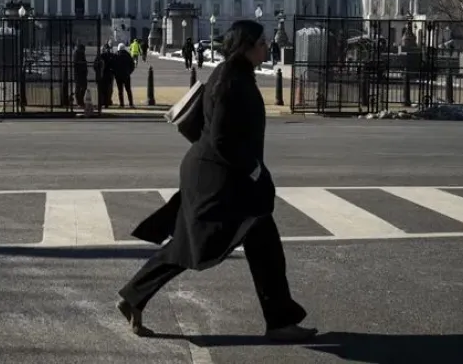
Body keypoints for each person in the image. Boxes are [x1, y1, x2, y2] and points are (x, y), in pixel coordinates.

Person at [116, 20, 317, 343]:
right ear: (247, 45)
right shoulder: (230, 80)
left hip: (222, 175)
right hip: (221, 180)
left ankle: (279, 321)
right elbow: (222, 138)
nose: (268, 46)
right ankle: (133, 295)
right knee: (194, 247)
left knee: (261, 247)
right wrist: (254, 171)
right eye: (262, 42)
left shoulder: (236, 75)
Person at [112, 42, 135, 108]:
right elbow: (132, 65)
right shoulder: (128, 55)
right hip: (126, 75)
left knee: (120, 91)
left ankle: (121, 104)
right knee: (128, 90)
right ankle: (131, 103)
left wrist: (115, 73)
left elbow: (113, 66)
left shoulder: (116, 55)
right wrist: (129, 72)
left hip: (118, 76)